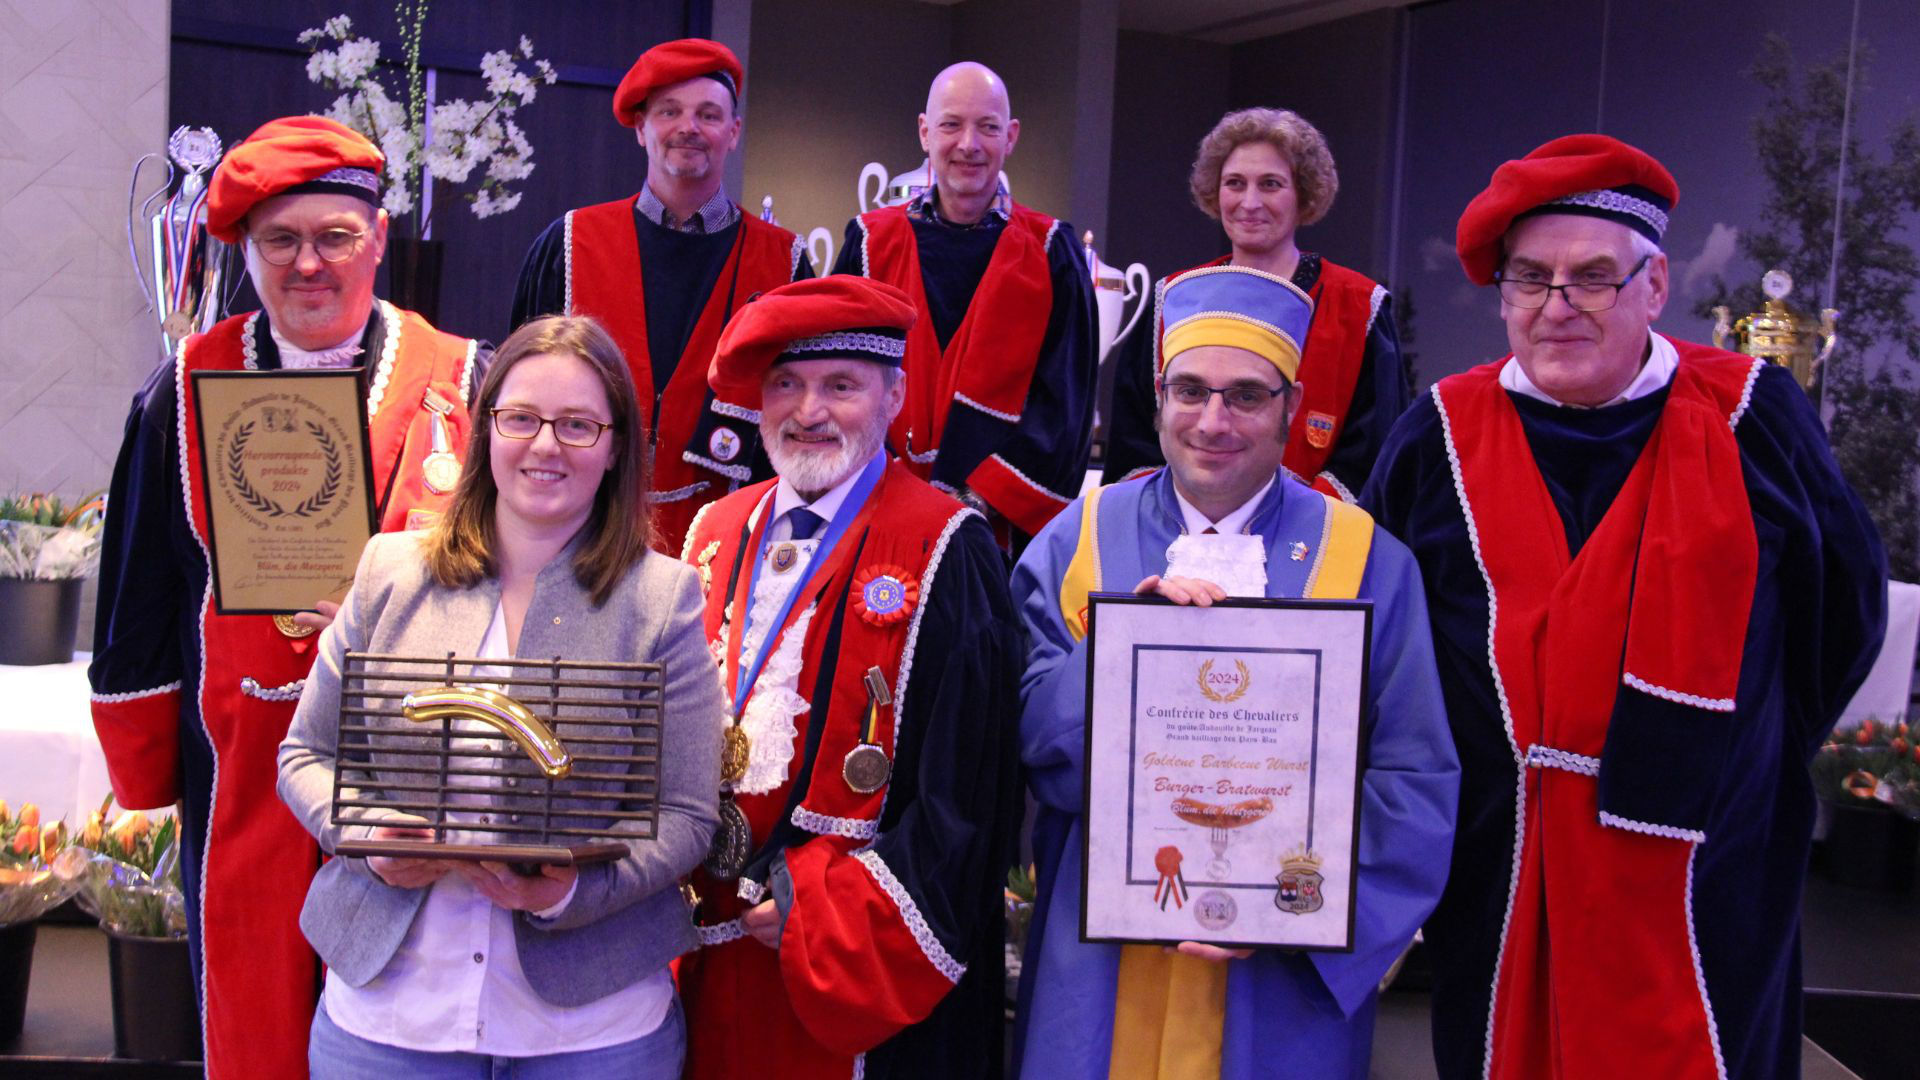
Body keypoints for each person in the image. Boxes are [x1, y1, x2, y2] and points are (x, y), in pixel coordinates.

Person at [1361, 134, 1888, 1080]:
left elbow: (1841, 612)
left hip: (1709, 868)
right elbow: (1386, 641)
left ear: (1654, 287)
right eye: (1531, 279)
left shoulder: (1751, 415)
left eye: (1593, 278)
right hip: (1501, 866)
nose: (1558, 306)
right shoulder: (1436, 433)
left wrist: (1742, 760)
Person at [88, 115, 482, 1080]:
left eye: (336, 237)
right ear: (248, 250)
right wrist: (147, 772)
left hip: (419, 775)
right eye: (281, 240)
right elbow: (137, 591)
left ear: (379, 239)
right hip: (242, 768)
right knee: (254, 1013)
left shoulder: (468, 378)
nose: (311, 264)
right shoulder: (180, 389)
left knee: (407, 1023)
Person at [1012, 265, 1459, 1078]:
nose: (1213, 420)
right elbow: (1029, 745)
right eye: (1190, 391)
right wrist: (1121, 651)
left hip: (1276, 979)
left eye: (1247, 395)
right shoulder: (1078, 540)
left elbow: (1414, 777)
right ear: (1158, 398)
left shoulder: (1366, 561)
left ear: (1291, 403)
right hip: (1103, 965)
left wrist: (1297, 911)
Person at [276, 315, 723, 1077]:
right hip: (388, 1020)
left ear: (617, 447)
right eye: (521, 418)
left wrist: (570, 893)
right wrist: (368, 836)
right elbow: (304, 755)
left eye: (578, 425)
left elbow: (685, 815)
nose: (545, 445)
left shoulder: (664, 597)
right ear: (485, 430)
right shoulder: (389, 571)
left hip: (593, 1031)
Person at [675, 276, 1021, 1078]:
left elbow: (965, 798)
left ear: (895, 394)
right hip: (702, 942)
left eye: (841, 386)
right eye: (786, 385)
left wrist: (815, 908)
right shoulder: (713, 529)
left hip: (844, 958)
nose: (808, 411)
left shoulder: (947, 545)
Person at [512, 37, 810, 554]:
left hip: (733, 544)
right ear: (641, 127)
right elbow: (517, 400)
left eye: (708, 114)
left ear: (733, 132)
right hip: (578, 538)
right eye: (669, 111)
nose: (688, 128)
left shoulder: (786, 264)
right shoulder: (567, 245)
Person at [832, 61, 1096, 549]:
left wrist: (972, 503)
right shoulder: (869, 244)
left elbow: (1065, 410)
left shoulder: (1051, 252)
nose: (969, 144)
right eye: (952, 124)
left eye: (988, 127)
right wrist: (894, 493)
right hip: (876, 515)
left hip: (995, 534)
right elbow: (838, 380)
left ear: (1011, 136)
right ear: (924, 131)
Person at [1104, 107, 1408, 503]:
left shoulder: (1359, 308)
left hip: (1316, 544)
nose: (1249, 202)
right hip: (1180, 541)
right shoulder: (1173, 300)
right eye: (1234, 183)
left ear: (1304, 194)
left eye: (1270, 184)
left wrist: (1289, 525)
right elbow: (1136, 443)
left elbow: (1375, 456)